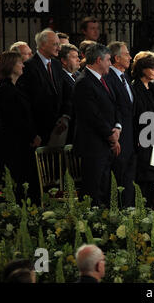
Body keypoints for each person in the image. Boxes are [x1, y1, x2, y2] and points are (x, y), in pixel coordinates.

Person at [73, 43, 121, 207]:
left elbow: (114, 106)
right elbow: (92, 115)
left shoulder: (103, 80)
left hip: (105, 144)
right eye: (108, 60)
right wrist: (110, 134)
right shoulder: (84, 82)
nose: (110, 63)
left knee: (104, 189)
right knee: (93, 191)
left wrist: (117, 128)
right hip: (92, 145)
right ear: (99, 60)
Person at [0, 51, 40, 202]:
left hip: (21, 142)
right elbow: (15, 118)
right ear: (11, 65)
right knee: (15, 183)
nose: (23, 66)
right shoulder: (5, 89)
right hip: (12, 143)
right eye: (20, 63)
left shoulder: (17, 88)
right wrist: (32, 135)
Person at [16, 29, 71, 146]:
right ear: (43, 45)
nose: (59, 48)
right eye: (55, 44)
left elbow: (65, 94)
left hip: (59, 129)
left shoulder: (56, 65)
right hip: (39, 133)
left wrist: (65, 116)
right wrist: (33, 133)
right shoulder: (29, 67)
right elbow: (26, 104)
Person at [132, 53, 154, 209]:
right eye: (152, 68)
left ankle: (152, 211)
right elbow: (135, 114)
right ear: (143, 69)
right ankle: (142, 210)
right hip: (142, 138)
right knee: (144, 179)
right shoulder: (135, 88)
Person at [105, 41, 137, 208]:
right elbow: (114, 108)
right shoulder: (109, 78)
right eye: (126, 54)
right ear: (116, 58)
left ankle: (130, 212)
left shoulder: (125, 77)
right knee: (119, 180)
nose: (130, 57)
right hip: (119, 138)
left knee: (129, 180)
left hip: (130, 138)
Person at [58, 44, 81, 144]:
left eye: (78, 56)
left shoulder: (79, 75)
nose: (78, 60)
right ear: (64, 60)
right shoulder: (60, 78)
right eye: (74, 57)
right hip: (68, 128)